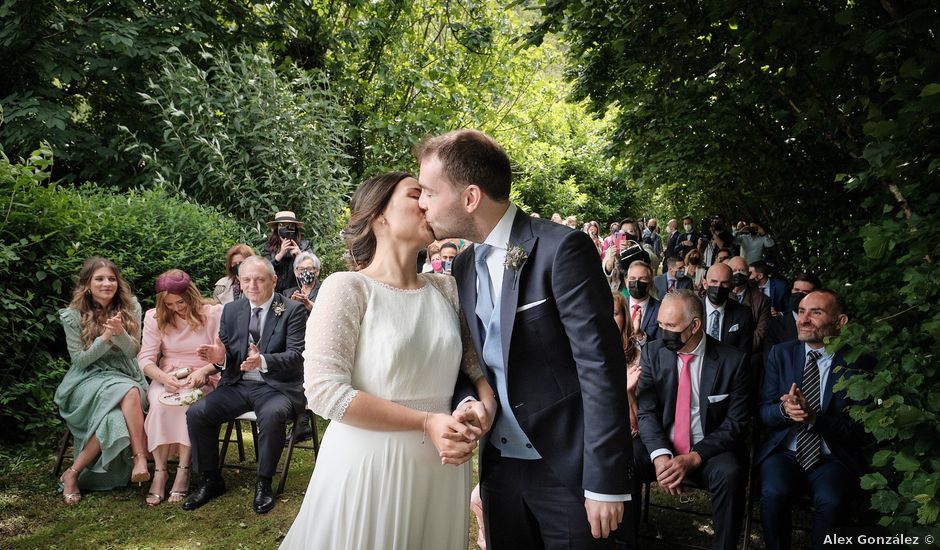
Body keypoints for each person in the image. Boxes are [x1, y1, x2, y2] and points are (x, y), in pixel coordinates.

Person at [417, 129, 632, 548]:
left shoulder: (562, 250)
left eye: (428, 191)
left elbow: (600, 367)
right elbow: (471, 359)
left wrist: (604, 481)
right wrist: (468, 401)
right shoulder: (461, 266)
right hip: (500, 469)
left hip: (568, 468)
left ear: (470, 197)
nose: (422, 202)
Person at [280, 172, 495, 549]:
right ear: (379, 215)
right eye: (417, 194)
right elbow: (324, 392)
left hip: (441, 466)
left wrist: (482, 408)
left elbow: (474, 366)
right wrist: (426, 422)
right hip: (372, 466)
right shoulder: (347, 287)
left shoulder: (446, 289)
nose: (427, 203)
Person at [183, 255, 308, 514]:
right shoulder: (232, 310)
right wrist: (221, 358)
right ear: (239, 281)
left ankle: (263, 482)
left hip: (277, 386)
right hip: (238, 384)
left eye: (259, 280)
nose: (252, 285)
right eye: (247, 280)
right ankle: (211, 479)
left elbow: (296, 356)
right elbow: (226, 350)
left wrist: (262, 360)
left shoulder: (292, 310)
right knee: (197, 413)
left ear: (273, 280)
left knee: (273, 416)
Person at [634, 290, 750, 550]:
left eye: (671, 326)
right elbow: (647, 411)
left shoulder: (733, 361)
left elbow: (737, 422)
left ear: (695, 325)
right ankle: (625, 541)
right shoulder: (654, 352)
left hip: (708, 449)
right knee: (625, 458)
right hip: (665, 443)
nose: (663, 332)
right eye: (661, 325)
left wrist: (695, 456)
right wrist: (661, 455)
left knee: (731, 473)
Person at [758, 289, 871, 550]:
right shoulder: (780, 354)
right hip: (786, 452)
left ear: (840, 321)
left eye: (816, 313)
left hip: (833, 456)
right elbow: (763, 412)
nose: (804, 319)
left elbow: (860, 431)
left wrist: (813, 418)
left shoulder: (859, 361)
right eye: (801, 312)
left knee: (831, 501)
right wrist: (785, 411)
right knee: (772, 494)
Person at [54, 256, 150, 505]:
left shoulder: (132, 308)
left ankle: (72, 473)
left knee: (115, 413)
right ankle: (141, 457)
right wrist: (106, 337)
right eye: (99, 279)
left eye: (111, 278)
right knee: (127, 391)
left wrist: (120, 334)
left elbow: (133, 353)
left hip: (125, 373)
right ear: (87, 284)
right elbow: (80, 361)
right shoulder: (73, 316)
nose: (107, 283)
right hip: (87, 379)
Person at [137, 270, 222, 506]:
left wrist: (204, 372)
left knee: (188, 406)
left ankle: (184, 470)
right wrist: (163, 378)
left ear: (191, 295)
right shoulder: (154, 317)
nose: (176, 308)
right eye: (170, 304)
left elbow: (221, 357)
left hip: (202, 374)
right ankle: (161, 472)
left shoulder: (212, 313)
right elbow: (145, 358)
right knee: (158, 404)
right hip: (168, 374)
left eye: (180, 302)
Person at [700, 262, 755, 356]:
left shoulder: (743, 314)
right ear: (705, 284)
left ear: (732, 286)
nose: (718, 287)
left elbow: (743, 353)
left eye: (724, 283)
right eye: (714, 281)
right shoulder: (691, 310)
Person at [612, 293, 642, 437]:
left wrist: (628, 392)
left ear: (624, 317)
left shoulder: (636, 355)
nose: (608, 319)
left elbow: (639, 422)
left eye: (614, 313)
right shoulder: (585, 354)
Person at [766, 272, 822, 348]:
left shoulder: (822, 324)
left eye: (805, 292)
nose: (799, 294)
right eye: (796, 290)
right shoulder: (774, 325)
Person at [262, 210, 310, 294]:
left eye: (290, 226)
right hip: (274, 293)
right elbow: (263, 270)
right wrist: (279, 255)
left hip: (297, 293)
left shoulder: (304, 246)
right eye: (282, 225)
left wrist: (300, 256)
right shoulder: (268, 247)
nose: (286, 229)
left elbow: (312, 272)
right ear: (277, 228)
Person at [623, 260, 661, 343]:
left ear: (650, 283)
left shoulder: (660, 310)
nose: (636, 283)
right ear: (626, 282)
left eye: (642, 279)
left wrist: (641, 336)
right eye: (632, 278)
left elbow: (660, 345)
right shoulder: (619, 306)